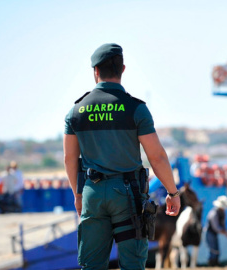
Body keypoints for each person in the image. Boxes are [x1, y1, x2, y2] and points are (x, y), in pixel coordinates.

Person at [64, 43, 180, 270]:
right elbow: (156, 156)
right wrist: (172, 192)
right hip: (128, 195)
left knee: (91, 265)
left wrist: (78, 194)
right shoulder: (135, 109)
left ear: (95, 71)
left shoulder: (76, 111)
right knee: (133, 264)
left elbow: (69, 158)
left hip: (92, 193)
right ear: (123, 69)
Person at [205, 195, 227, 266]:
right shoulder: (214, 214)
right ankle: (212, 263)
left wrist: (226, 233)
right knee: (213, 249)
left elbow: (223, 226)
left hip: (214, 233)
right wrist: (226, 234)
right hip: (209, 233)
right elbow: (216, 227)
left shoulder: (223, 213)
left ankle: (215, 263)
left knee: (216, 249)